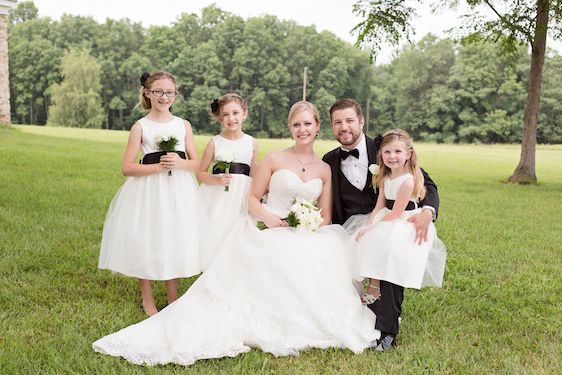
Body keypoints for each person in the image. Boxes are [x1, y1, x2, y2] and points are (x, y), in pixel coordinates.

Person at [92, 101, 378, 366]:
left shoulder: (324, 167)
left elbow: (326, 215)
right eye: (296, 125)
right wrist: (269, 217)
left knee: (321, 262)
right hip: (272, 229)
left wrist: (307, 223)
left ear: (317, 127)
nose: (302, 130)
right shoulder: (274, 159)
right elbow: (253, 199)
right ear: (290, 128)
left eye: (307, 124)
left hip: (307, 233)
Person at [322, 98, 440, 351]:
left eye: (350, 120)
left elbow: (426, 183)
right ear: (331, 127)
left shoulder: (387, 147)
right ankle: (355, 313)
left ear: (361, 121)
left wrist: (428, 211)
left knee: (391, 252)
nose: (344, 127)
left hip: (392, 221)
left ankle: (387, 327)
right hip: (353, 223)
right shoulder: (329, 159)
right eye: (338, 122)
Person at [97, 71, 202, 317]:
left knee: (173, 237)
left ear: (175, 94)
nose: (164, 97)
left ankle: (173, 296)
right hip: (148, 191)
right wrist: (157, 167)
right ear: (147, 92)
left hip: (178, 191)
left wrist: (180, 163)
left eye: (169, 92)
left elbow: (197, 163)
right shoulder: (140, 126)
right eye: (158, 91)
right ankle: (147, 299)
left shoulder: (183, 125)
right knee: (148, 238)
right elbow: (127, 167)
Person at [353, 129, 446, 304]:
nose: (392, 156)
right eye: (387, 152)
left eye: (397, 152)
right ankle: (371, 286)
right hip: (384, 215)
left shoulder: (408, 179)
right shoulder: (384, 175)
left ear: (409, 154)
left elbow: (397, 212)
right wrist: (369, 224)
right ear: (381, 154)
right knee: (364, 239)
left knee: (383, 243)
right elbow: (380, 205)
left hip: (402, 219)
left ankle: (381, 295)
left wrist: (428, 211)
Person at [197, 93, 258, 270]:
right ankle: (212, 269)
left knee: (238, 236)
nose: (231, 118)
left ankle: (233, 272)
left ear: (244, 113)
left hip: (241, 196)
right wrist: (216, 180)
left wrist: (258, 195)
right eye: (225, 115)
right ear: (219, 118)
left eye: (235, 113)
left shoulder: (251, 142)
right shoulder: (214, 142)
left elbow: (254, 172)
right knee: (217, 231)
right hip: (218, 197)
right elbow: (200, 173)